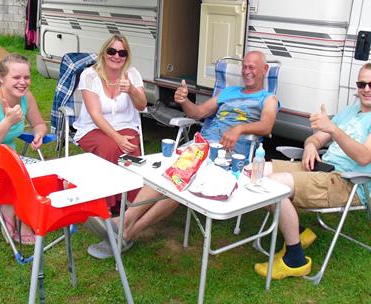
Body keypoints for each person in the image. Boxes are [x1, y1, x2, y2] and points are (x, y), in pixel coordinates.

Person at [87, 51, 280, 260]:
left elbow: (266, 125)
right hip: (201, 146)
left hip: (228, 155)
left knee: (180, 182)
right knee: (165, 173)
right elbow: (198, 113)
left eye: (252, 67)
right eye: (244, 67)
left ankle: (126, 230)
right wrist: (184, 100)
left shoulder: (268, 98)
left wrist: (239, 129)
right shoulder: (228, 92)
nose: (247, 71)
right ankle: (124, 224)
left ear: (264, 70)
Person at [254, 63, 371, 280]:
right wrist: (310, 146)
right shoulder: (348, 112)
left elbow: (364, 156)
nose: (366, 89)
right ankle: (297, 231)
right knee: (256, 171)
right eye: (361, 83)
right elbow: (316, 138)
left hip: (347, 182)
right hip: (320, 169)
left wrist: (333, 130)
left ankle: (295, 260)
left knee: (272, 185)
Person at [0, 53, 47, 245]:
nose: (23, 82)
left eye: (26, 77)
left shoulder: (26, 97)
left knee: (44, 172)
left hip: (9, 159)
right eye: (16, 77)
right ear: (1, 78)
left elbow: (39, 124)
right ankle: (14, 220)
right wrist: (8, 121)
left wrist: (38, 134)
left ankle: (23, 217)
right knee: (18, 176)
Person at [73, 34, 147, 212]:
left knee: (130, 148)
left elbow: (142, 105)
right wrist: (117, 138)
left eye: (122, 53)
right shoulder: (89, 76)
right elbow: (95, 115)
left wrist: (131, 90)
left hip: (126, 125)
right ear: (104, 53)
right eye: (112, 51)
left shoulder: (132, 75)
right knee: (111, 146)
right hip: (92, 128)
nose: (116, 56)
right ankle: (105, 205)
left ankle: (130, 205)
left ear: (126, 57)